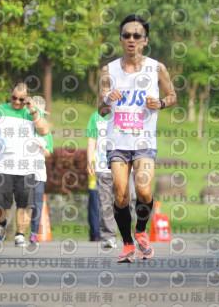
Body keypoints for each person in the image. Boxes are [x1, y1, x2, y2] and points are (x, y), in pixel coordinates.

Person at [99, 14, 176, 263]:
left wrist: (160, 103)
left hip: (144, 142)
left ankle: (141, 230)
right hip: (117, 142)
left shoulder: (157, 68)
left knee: (143, 191)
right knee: (121, 195)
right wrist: (107, 99)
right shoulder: (108, 70)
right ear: (121, 39)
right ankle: (127, 244)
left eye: (136, 36)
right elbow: (101, 109)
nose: (131, 40)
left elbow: (172, 95)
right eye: (126, 35)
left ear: (145, 40)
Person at [0, 82, 51, 247]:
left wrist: (33, 111)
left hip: (26, 166)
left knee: (25, 204)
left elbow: (44, 131)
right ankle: (2, 222)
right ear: (10, 94)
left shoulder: (33, 112)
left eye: (21, 99)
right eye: (14, 98)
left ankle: (20, 235)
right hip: (2, 165)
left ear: (27, 98)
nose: (17, 102)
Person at [86, 108, 136, 249]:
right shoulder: (96, 116)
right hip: (103, 166)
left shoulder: (127, 113)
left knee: (129, 198)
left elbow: (135, 138)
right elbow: (92, 140)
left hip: (125, 166)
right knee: (105, 202)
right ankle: (109, 236)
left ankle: (126, 232)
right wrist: (89, 161)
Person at [30, 99, 53, 246]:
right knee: (24, 202)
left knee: (37, 204)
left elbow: (49, 151)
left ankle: (33, 233)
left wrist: (43, 149)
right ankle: (20, 232)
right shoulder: (24, 126)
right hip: (22, 170)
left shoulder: (46, 129)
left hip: (38, 171)